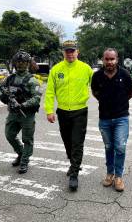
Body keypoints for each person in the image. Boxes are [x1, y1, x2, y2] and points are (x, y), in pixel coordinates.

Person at [44, 40, 93, 191]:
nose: (70, 53)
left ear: (77, 52)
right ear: (63, 53)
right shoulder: (56, 69)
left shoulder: (86, 68)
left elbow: (98, 85)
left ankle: (74, 174)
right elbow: (50, 91)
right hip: (63, 112)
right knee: (67, 142)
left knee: (77, 142)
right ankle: (73, 163)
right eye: (67, 51)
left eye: (72, 51)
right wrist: (49, 110)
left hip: (80, 111)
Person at [91, 48, 132, 192]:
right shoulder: (97, 76)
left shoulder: (125, 74)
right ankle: (110, 173)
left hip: (121, 117)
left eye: (112, 59)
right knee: (109, 147)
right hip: (104, 118)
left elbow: (131, 92)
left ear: (117, 59)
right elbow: (95, 92)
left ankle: (119, 176)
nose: (109, 62)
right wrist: (105, 102)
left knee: (120, 147)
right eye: (107, 59)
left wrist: (120, 103)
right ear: (103, 60)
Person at [0, 50, 42, 174]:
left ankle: (24, 161)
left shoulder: (32, 80)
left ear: (28, 64)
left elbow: (36, 98)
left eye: (23, 62)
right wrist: (2, 96)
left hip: (27, 115)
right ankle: (20, 153)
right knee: (9, 135)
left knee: (27, 139)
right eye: (18, 62)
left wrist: (22, 104)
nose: (20, 64)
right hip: (13, 114)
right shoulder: (10, 78)